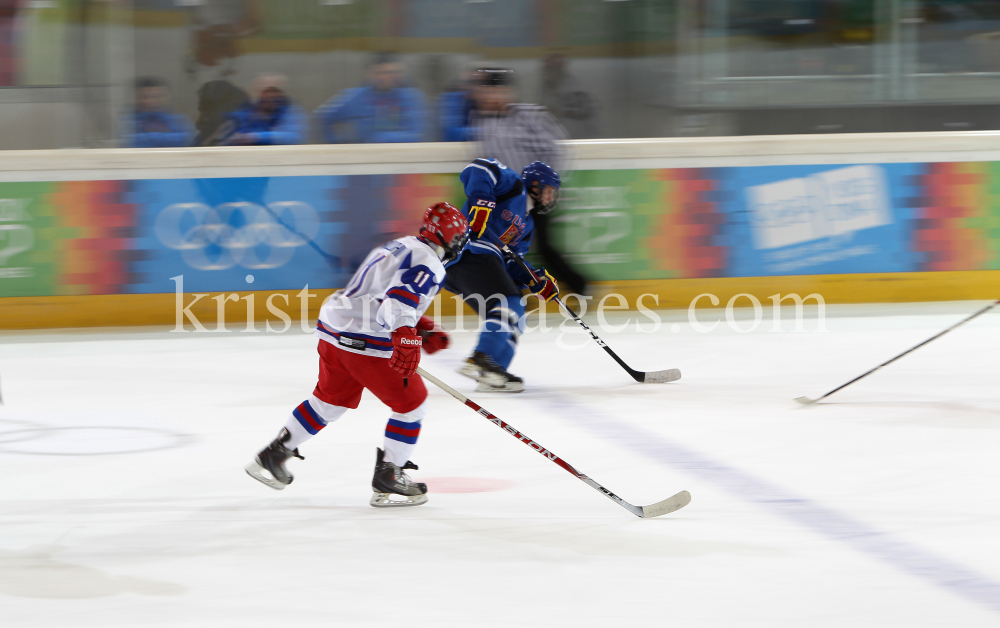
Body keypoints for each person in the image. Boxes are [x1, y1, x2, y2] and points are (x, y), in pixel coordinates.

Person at [245, 202, 470, 508]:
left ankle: (273, 454)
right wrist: (406, 334)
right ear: (452, 239)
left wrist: (421, 327)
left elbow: (381, 291)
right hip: (364, 338)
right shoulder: (430, 261)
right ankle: (390, 476)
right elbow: (400, 298)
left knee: (328, 402)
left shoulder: (401, 244)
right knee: (411, 403)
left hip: (333, 328)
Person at [444, 158, 561, 393]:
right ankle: (481, 357)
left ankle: (493, 373)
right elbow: (479, 167)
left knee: (517, 316)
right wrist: (481, 199)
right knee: (510, 302)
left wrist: (534, 279)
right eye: (547, 191)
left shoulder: (527, 225)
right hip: (470, 252)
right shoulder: (514, 186)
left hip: (478, 263)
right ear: (535, 185)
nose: (550, 198)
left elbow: (510, 261)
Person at [469, 68, 588, 296]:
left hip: (534, 196)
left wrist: (547, 187)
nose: (492, 97)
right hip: (503, 202)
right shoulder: (480, 122)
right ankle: (515, 297)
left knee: (545, 248)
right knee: (504, 252)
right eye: (487, 92)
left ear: (508, 92)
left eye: (498, 91)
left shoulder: (530, 116)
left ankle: (581, 287)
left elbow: (555, 149)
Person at [315, 53, 428, 144]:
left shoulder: (411, 98)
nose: (386, 77)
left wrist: (381, 139)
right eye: (381, 73)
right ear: (369, 74)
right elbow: (324, 116)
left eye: (392, 72)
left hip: (403, 162)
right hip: (367, 161)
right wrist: (339, 145)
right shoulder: (355, 97)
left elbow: (417, 134)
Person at [221, 74, 307, 146]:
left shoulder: (291, 112)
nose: (271, 96)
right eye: (266, 91)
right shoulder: (241, 115)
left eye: (275, 91)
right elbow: (226, 141)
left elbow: (295, 137)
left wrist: (255, 137)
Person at [122, 77, 194, 148]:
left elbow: (184, 140)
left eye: (156, 97)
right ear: (137, 98)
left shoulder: (178, 120)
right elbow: (132, 141)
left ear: (166, 98)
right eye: (144, 97)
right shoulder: (128, 121)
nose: (150, 101)